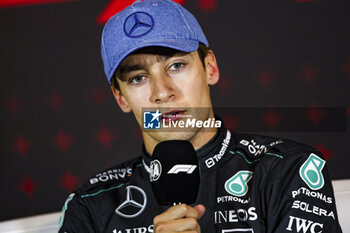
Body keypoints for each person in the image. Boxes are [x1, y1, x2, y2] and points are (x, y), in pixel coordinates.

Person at [58, 0, 343, 232]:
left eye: (177, 65)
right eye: (137, 79)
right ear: (120, 98)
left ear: (210, 69)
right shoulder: (91, 205)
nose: (163, 92)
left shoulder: (287, 170)